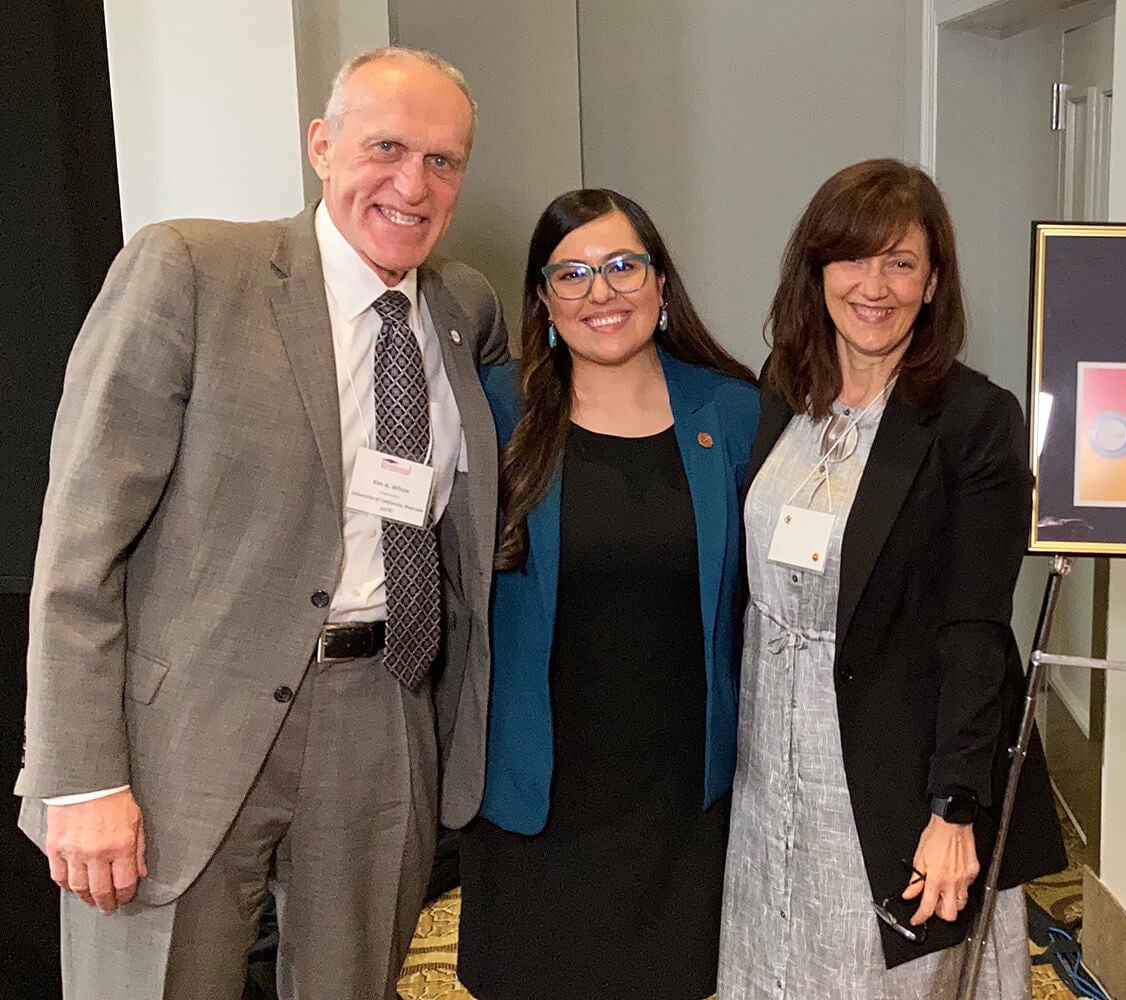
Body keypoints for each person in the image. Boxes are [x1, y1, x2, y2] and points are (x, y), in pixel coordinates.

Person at [15, 47, 508, 998]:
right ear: (322, 146)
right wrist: (78, 777)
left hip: (384, 714)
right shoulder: (192, 268)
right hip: (184, 734)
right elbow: (80, 545)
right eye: (387, 147)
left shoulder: (463, 307)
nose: (413, 183)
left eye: (443, 161)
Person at [718, 158, 1066, 999]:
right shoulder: (779, 393)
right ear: (817, 271)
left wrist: (954, 809)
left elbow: (978, 628)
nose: (875, 286)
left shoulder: (975, 419)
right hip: (767, 765)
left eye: (901, 262)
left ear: (933, 280)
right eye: (853, 259)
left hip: (891, 768)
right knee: (772, 965)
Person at [454, 188, 758, 998]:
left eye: (624, 266)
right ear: (544, 300)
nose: (602, 291)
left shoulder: (732, 413)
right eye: (574, 273)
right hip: (535, 789)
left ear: (661, 285)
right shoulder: (495, 410)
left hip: (678, 797)